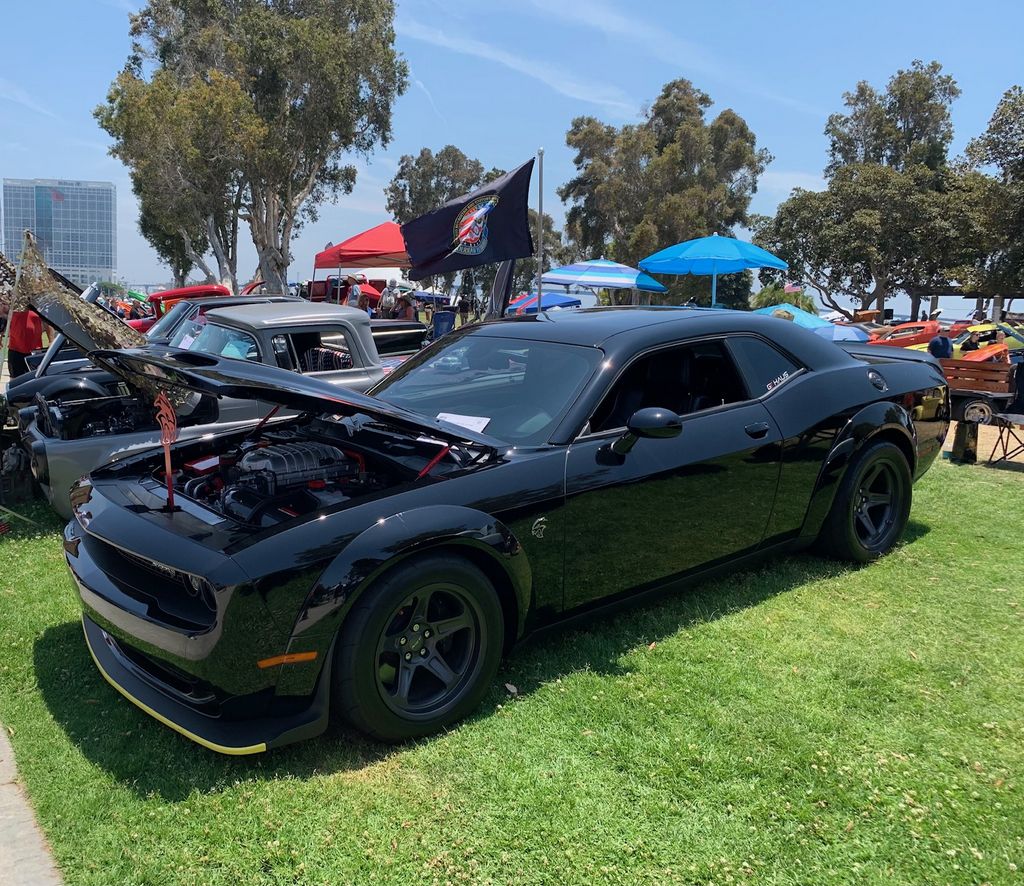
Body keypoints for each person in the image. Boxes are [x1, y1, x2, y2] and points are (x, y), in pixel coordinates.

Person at [6, 306, 43, 378]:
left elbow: (47, 324)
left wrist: (51, 340)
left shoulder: (39, 308)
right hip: (15, 349)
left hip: (34, 350)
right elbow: (4, 322)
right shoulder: (13, 308)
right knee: (15, 378)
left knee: (35, 377)